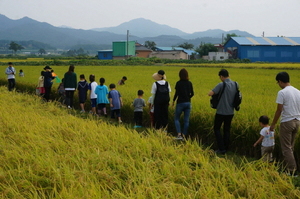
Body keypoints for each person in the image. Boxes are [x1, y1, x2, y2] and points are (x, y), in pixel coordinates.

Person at [270, 72, 300, 176]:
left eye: (278, 82)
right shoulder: (298, 91)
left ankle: (292, 171)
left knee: (286, 148)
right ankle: (287, 168)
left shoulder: (282, 92)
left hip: (287, 122)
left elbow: (279, 110)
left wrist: (273, 124)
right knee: (290, 147)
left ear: (281, 81)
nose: (278, 84)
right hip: (297, 122)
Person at [208, 69, 239, 155]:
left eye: (220, 77)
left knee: (217, 129)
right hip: (231, 112)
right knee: (227, 130)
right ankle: (226, 147)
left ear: (221, 76)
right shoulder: (236, 84)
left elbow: (210, 93)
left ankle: (221, 148)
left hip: (221, 111)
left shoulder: (221, 84)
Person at [172, 68, 194, 140]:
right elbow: (192, 93)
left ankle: (179, 135)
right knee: (186, 120)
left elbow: (176, 93)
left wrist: (173, 101)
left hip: (180, 103)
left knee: (176, 119)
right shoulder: (189, 83)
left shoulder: (178, 83)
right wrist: (188, 97)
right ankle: (184, 135)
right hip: (188, 103)